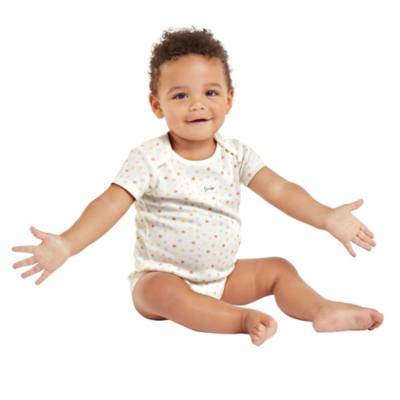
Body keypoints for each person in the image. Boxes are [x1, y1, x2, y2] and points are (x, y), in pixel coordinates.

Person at [11, 27, 384, 346]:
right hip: (160, 278)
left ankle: (321, 310)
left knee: (279, 269)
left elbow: (281, 190)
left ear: (229, 99)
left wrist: (326, 217)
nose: (197, 105)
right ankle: (239, 320)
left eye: (210, 93)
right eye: (180, 95)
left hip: (223, 278)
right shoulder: (149, 159)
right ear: (157, 105)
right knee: (163, 292)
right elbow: (109, 205)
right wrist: (67, 244)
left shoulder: (236, 155)